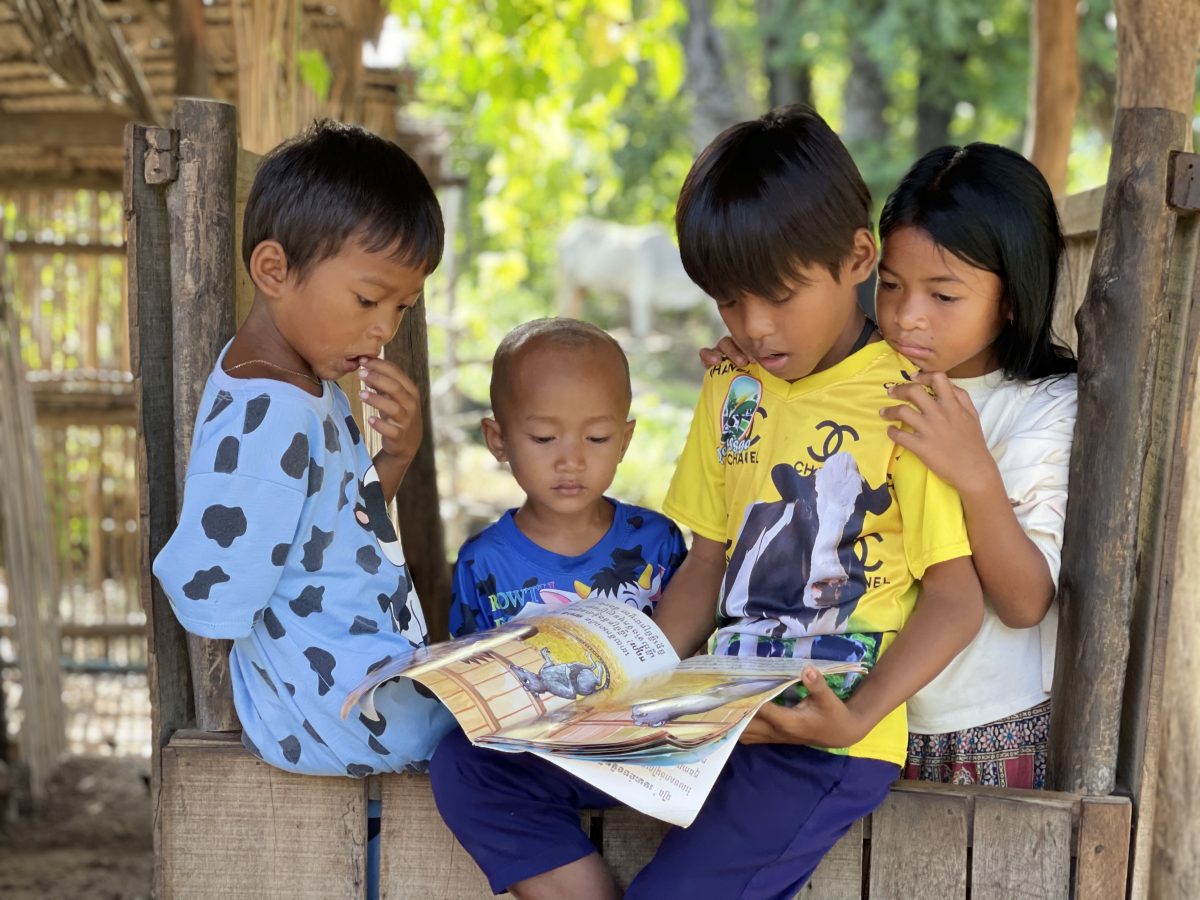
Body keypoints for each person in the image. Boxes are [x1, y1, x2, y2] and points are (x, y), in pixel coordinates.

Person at [430, 105, 983, 900]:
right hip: (709, 712)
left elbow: (958, 599)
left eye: (779, 296)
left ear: (858, 257)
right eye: (728, 302)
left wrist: (858, 719)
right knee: (470, 765)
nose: (754, 327)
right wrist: (620, 688)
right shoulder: (733, 387)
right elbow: (708, 561)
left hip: (818, 743)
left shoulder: (907, 401)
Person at [703, 143, 1077, 789]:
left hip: (981, 729)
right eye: (894, 285)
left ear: (1011, 300)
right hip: (866, 721)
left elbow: (1025, 602)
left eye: (945, 295)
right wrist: (760, 361)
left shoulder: (1042, 408)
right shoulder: (865, 379)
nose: (907, 316)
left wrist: (976, 474)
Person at [152, 120, 456, 777]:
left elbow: (329, 538)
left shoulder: (304, 388)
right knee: (519, 726)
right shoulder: (277, 410)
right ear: (274, 270)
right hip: (332, 713)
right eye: (368, 298)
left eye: (402, 307)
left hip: (347, 688)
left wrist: (395, 458)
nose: (383, 329)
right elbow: (212, 595)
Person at [448, 318, 687, 636]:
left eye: (598, 437)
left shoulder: (657, 543)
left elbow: (691, 666)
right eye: (545, 438)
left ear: (624, 442)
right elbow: (469, 674)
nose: (571, 461)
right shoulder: (483, 562)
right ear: (498, 440)